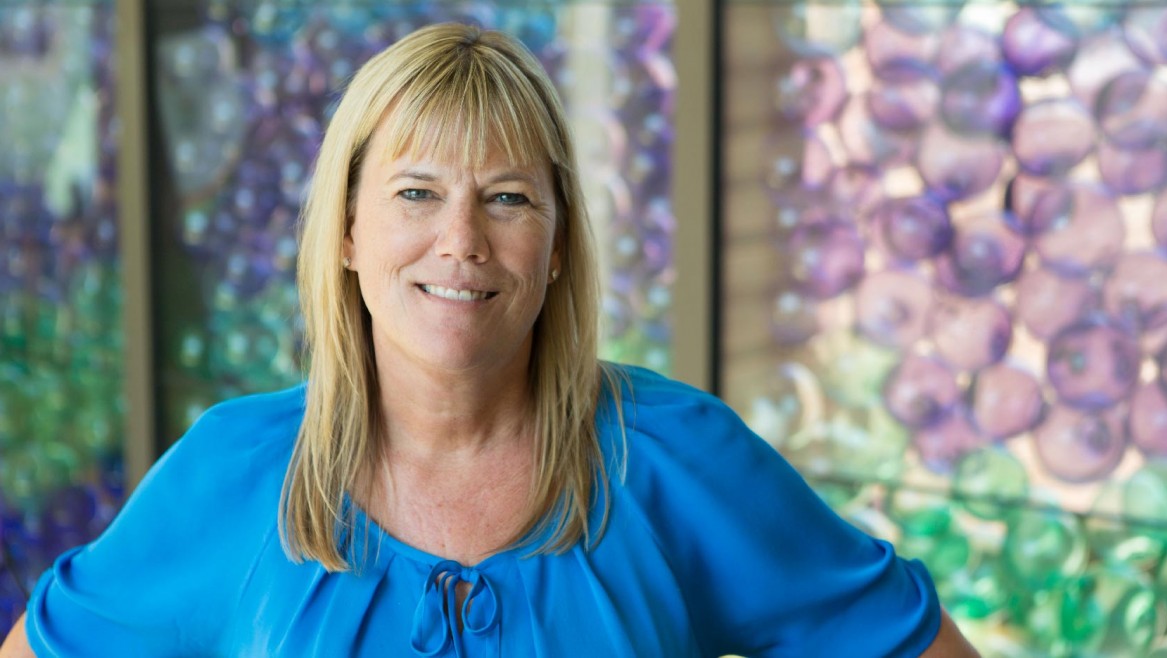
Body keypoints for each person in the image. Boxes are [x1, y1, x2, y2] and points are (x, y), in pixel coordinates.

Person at [1, 23, 979, 657]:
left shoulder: (677, 456)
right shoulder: (235, 470)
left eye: (508, 198)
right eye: (416, 194)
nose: (461, 242)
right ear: (347, 231)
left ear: (556, 246)